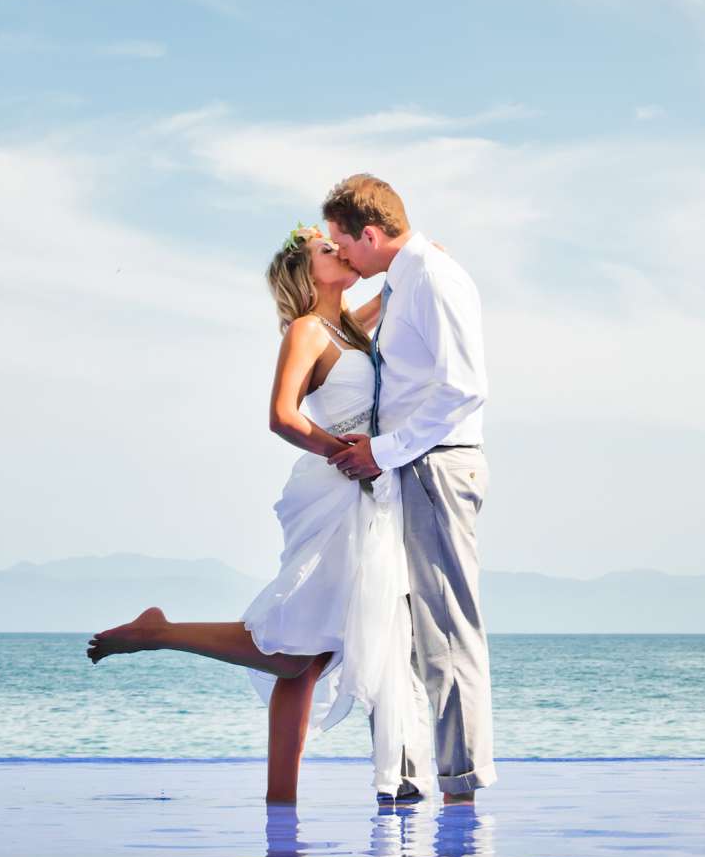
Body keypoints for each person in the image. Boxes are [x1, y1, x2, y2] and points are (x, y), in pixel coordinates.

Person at [88, 226, 433, 806]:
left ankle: (281, 804)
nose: (342, 252)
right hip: (335, 487)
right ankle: (159, 632)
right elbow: (280, 416)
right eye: (329, 252)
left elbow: (392, 290)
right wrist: (343, 452)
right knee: (299, 646)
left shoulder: (349, 327)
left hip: (362, 490)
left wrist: (416, 252)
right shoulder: (305, 331)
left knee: (308, 655)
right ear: (306, 274)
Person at [321, 173, 494, 804]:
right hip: (409, 466)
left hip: (435, 463)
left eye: (344, 244)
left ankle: (462, 784)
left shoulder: (432, 276)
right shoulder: (406, 278)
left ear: (369, 234)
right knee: (412, 629)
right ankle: (419, 773)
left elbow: (464, 386)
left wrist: (382, 452)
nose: (343, 256)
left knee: (448, 628)